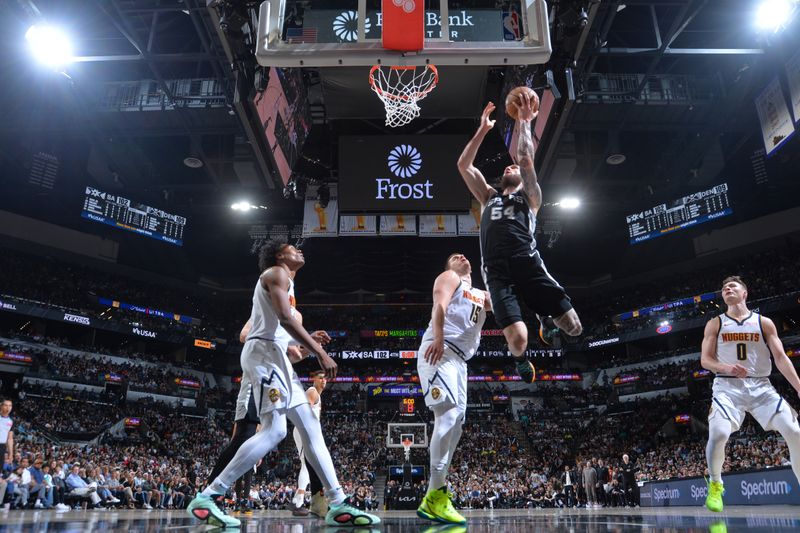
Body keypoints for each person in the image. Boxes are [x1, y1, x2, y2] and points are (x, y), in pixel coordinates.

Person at [187, 241, 380, 528]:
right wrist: (319, 351)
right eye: (293, 248)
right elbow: (284, 320)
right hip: (263, 356)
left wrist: (304, 343)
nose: (300, 251)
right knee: (276, 430)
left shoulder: (288, 284)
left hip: (277, 357)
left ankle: (339, 503)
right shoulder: (275, 273)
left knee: (311, 426)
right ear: (280, 255)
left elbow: (284, 335)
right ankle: (209, 495)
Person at [457, 96, 582, 384]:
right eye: (506, 169)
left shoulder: (531, 197)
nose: (509, 168)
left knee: (574, 328)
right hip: (498, 271)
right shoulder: (488, 197)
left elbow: (525, 159)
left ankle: (545, 316)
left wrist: (524, 120)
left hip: (528, 263)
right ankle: (520, 359)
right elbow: (464, 165)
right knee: (518, 339)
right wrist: (482, 130)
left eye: (513, 169)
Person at [701, 276, 800, 513]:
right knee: (718, 434)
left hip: (761, 386)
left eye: (733, 286)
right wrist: (726, 368)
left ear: (745, 293)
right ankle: (715, 484)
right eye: (724, 287)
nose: (727, 288)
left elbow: (780, 358)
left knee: (795, 431)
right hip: (727, 387)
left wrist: (798, 385)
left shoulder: (763, 322)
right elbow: (705, 360)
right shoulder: (715, 323)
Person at [416, 253, 490, 525]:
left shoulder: (480, 293)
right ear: (448, 265)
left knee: (457, 425)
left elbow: (504, 305)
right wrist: (437, 338)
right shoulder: (450, 277)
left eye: (464, 254)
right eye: (453, 256)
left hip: (460, 361)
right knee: (446, 418)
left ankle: (433, 497)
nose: (461, 255)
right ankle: (436, 494)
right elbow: (439, 307)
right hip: (440, 351)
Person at [290, 369, 328, 517]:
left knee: (309, 465)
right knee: (307, 465)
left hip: (307, 430)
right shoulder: (312, 392)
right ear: (314, 380)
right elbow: (302, 411)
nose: (323, 381)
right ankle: (298, 502)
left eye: (325, 379)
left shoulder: (318, 395)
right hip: (303, 430)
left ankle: (298, 500)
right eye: (320, 378)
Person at [1, 398, 13, 468]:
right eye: (6, 405)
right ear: (1, 406)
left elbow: (10, 438)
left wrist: (11, 453)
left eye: (10, 405)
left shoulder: (11, 421)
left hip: (2, 447)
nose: (8, 407)